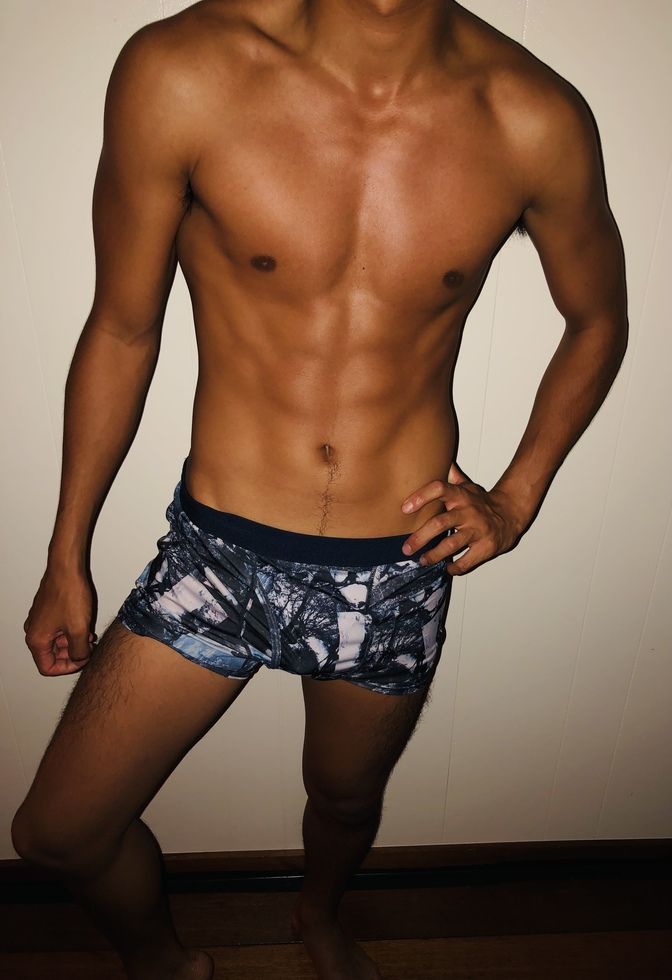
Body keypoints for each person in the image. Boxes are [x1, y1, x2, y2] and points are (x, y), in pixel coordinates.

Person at [12, 1, 628, 978]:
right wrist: (65, 555)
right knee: (58, 832)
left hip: (396, 567)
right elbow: (123, 328)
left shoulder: (531, 115)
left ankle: (318, 916)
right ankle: (164, 963)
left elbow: (598, 319)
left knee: (343, 799)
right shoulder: (184, 70)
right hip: (216, 554)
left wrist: (516, 497)